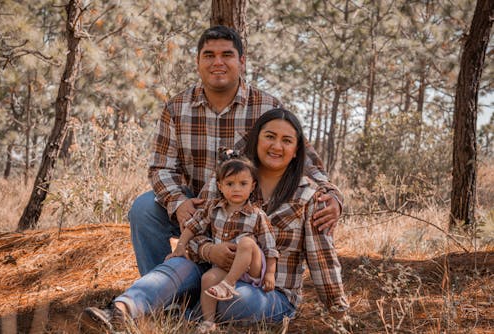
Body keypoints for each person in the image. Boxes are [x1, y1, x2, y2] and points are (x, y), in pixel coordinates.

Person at [81, 108, 348, 333]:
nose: (277, 146)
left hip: (269, 292)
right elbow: (196, 229)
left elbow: (322, 259)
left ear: (296, 149)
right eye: (269, 137)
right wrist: (208, 250)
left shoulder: (310, 195)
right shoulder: (229, 178)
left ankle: (175, 317)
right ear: (256, 140)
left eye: (286, 140)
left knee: (235, 299)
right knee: (175, 267)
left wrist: (339, 312)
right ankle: (120, 310)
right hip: (209, 273)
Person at [128, 25, 342, 278]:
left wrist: (333, 196)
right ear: (198, 62)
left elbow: (303, 160)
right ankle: (159, 294)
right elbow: (162, 167)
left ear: (241, 61)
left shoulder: (266, 107)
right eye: (209, 55)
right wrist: (178, 202)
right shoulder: (177, 108)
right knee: (143, 209)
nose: (217, 62)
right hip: (196, 207)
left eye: (226, 55)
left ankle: (241, 288)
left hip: (246, 210)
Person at [166, 151, 278, 333]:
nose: (236, 189)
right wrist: (180, 246)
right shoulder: (213, 209)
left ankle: (228, 284)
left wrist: (270, 274)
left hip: (252, 267)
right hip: (225, 266)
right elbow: (192, 227)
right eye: (230, 184)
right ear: (220, 186)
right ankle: (208, 322)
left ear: (252, 186)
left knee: (247, 242)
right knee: (208, 278)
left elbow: (270, 247)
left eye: (243, 184)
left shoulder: (257, 215)